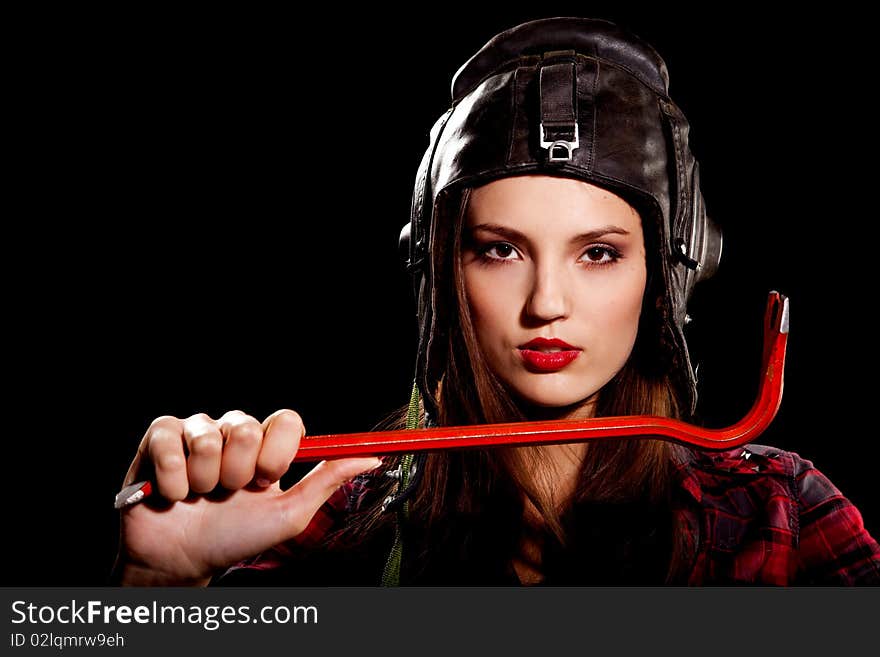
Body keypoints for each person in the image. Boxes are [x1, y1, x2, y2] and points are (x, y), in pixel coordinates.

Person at [111, 17, 880, 586]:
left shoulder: (780, 514)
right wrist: (159, 587)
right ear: (441, 269)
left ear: (668, 270)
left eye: (599, 253)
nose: (548, 301)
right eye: (501, 249)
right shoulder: (333, 527)